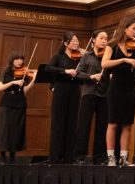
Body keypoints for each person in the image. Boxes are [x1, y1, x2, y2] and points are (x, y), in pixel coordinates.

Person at [102, 17, 135, 166]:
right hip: (116, 88)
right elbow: (104, 63)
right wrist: (124, 60)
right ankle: (111, 158)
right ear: (125, 28)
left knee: (127, 124)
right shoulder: (113, 45)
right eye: (133, 29)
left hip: (130, 88)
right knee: (113, 123)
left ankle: (124, 158)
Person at [73, 30, 110, 165]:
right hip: (88, 93)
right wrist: (90, 76)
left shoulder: (108, 57)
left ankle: (99, 158)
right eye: (101, 38)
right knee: (83, 126)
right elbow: (78, 73)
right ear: (93, 40)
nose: (104, 41)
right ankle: (79, 157)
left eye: (106, 39)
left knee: (102, 127)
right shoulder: (87, 56)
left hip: (103, 94)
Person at [0, 51, 37, 164]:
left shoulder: (24, 72)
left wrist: (34, 80)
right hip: (7, 103)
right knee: (4, 130)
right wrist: (13, 82)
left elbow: (25, 91)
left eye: (21, 59)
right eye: (17, 59)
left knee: (16, 130)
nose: (20, 61)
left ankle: (13, 156)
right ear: (12, 60)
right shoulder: (6, 71)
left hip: (20, 103)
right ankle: (2, 156)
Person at [46, 32, 82, 164]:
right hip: (61, 90)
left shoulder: (78, 58)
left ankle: (69, 158)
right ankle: (55, 157)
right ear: (66, 43)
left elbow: (83, 72)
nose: (76, 43)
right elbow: (48, 68)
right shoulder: (58, 57)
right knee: (58, 124)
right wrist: (65, 71)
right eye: (73, 41)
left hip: (74, 91)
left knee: (72, 124)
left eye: (77, 41)